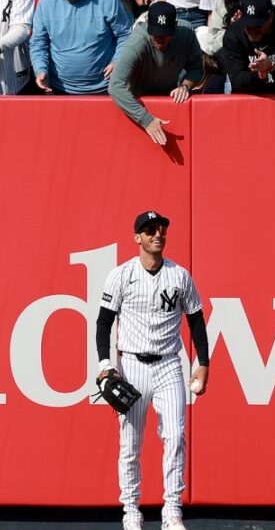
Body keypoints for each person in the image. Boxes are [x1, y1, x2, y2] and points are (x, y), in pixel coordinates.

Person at [96, 210, 210, 530]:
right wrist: (106, 365)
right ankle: (131, 510)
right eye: (149, 230)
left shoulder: (179, 276)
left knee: (175, 436)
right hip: (131, 364)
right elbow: (104, 322)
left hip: (169, 364)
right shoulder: (121, 275)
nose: (156, 234)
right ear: (138, 238)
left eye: (160, 229)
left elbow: (196, 319)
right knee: (131, 443)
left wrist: (203, 363)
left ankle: (172, 510)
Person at [29, 0, 134, 94]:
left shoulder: (108, 1)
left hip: (104, 87)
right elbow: (38, 42)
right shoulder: (46, 3)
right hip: (60, 88)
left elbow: (125, 35)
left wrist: (118, 61)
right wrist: (40, 69)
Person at [109, 2, 203, 146]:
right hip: (135, 107)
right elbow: (115, 86)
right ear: (147, 24)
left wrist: (185, 86)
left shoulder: (186, 32)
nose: (160, 38)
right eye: (156, 33)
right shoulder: (137, 42)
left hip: (168, 101)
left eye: (165, 34)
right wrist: (146, 120)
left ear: (175, 26)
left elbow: (197, 67)